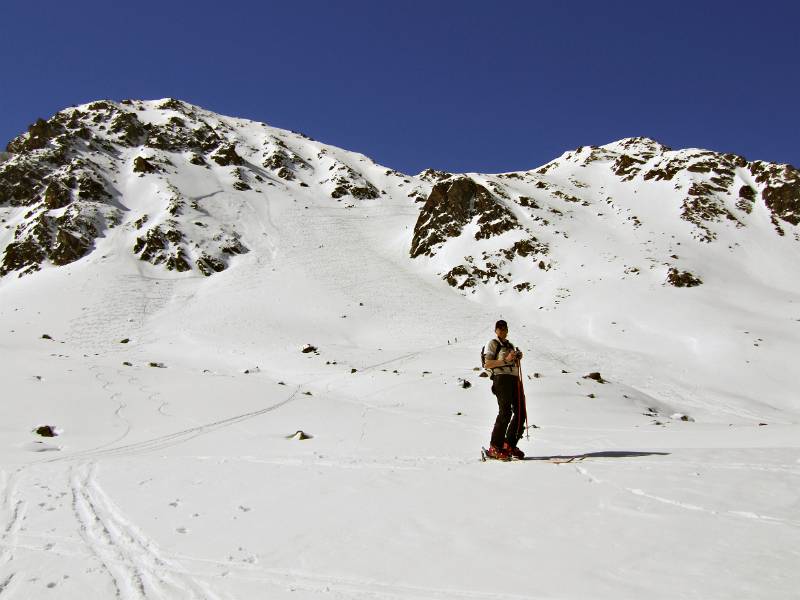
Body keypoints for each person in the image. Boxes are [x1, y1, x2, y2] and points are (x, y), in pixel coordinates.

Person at [483, 320, 526, 460]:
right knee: (505, 412)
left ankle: (509, 444)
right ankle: (495, 446)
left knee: (521, 412)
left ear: (507, 330)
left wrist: (516, 358)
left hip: (514, 379)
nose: (502, 330)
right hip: (501, 379)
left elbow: (511, 362)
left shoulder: (510, 345)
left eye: (504, 328)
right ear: (495, 330)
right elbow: (487, 363)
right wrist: (506, 360)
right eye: (499, 328)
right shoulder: (493, 344)